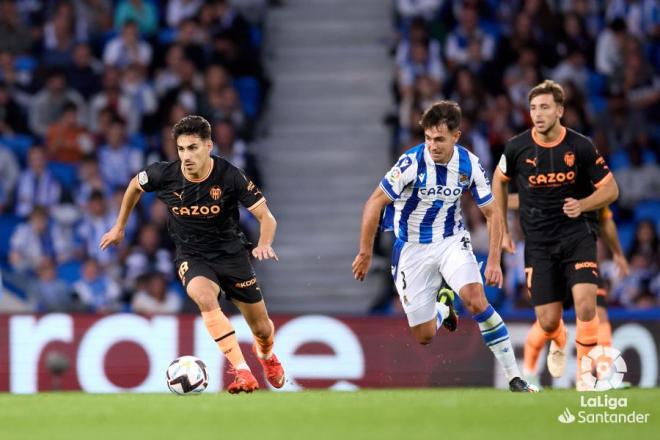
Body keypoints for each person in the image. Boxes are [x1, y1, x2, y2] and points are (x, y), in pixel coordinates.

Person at [352, 100, 536, 392]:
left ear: (456, 136)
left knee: (477, 300)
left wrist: (493, 261)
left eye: (439, 139)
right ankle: (443, 307)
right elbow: (374, 202)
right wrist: (365, 251)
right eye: (428, 138)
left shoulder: (469, 164)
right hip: (411, 247)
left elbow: (491, 212)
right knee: (424, 336)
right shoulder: (411, 163)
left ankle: (516, 377)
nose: (432, 145)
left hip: (451, 240)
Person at [100, 115, 284, 394]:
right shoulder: (164, 174)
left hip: (232, 255)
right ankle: (242, 370)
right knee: (205, 298)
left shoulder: (230, 175)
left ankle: (267, 356)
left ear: (209, 145)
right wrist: (119, 226)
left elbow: (266, 216)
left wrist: (264, 242)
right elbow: (134, 186)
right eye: (181, 149)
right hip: (192, 255)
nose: (186, 156)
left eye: (193, 148)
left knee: (261, 329)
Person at [492, 80, 619, 390]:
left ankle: (586, 379)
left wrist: (584, 204)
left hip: (578, 235)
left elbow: (611, 189)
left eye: (545, 107)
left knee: (587, 305)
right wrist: (504, 231)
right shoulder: (516, 147)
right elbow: (498, 182)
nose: (537, 114)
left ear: (560, 110)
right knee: (548, 320)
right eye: (533, 108)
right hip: (538, 243)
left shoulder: (581, 146)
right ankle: (558, 337)